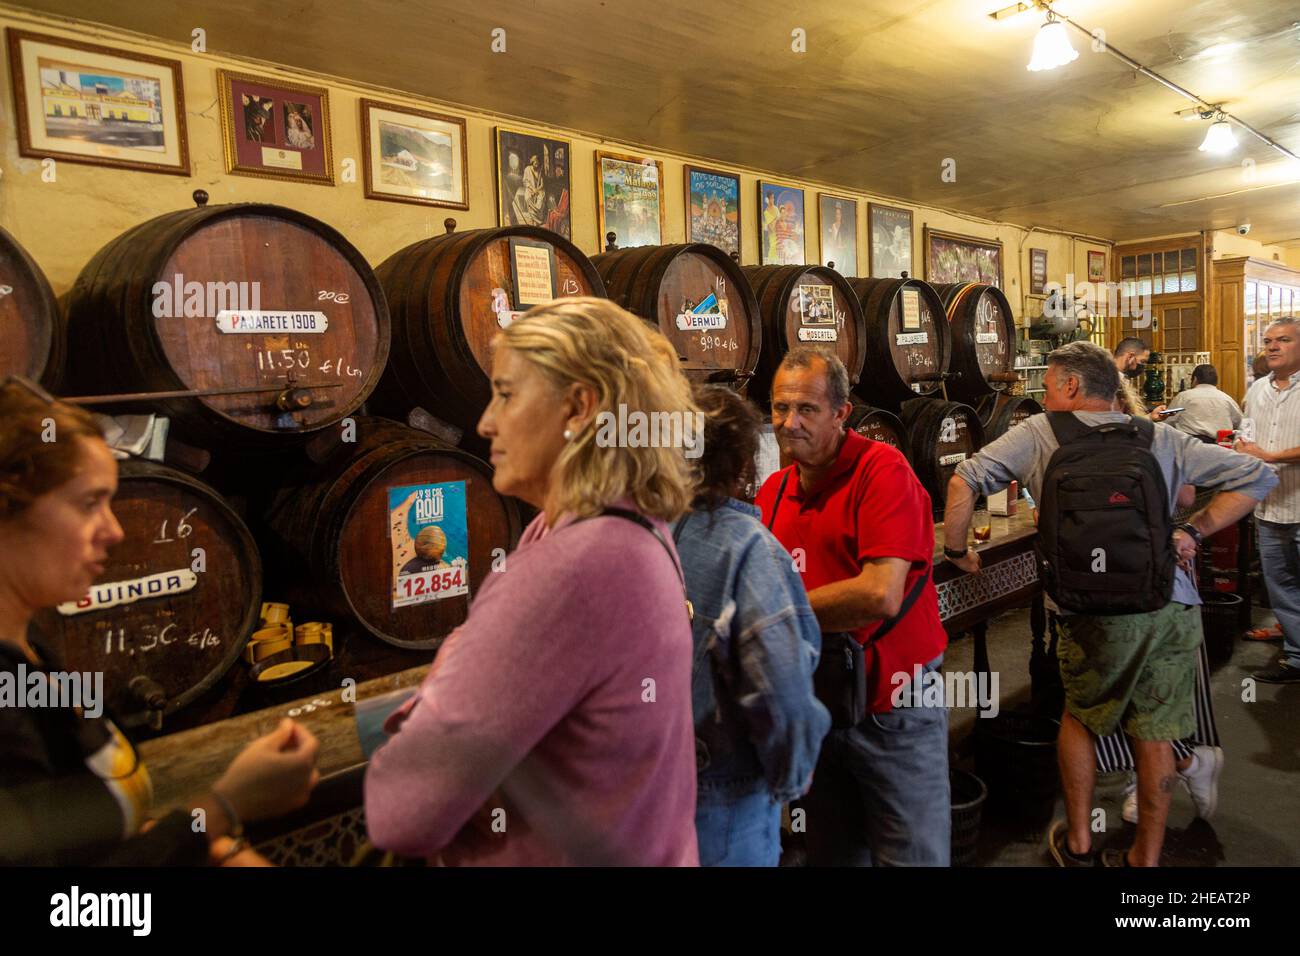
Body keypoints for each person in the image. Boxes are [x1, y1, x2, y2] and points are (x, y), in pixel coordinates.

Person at [364, 298, 700, 865]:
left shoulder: (570, 569)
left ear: (578, 406)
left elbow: (401, 812)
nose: (484, 422)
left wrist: (441, 680)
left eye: (506, 393)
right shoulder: (626, 525)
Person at [944, 341, 1276, 866]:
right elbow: (1258, 476)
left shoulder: (1037, 433)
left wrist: (957, 550)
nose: (1047, 396)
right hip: (1167, 602)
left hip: (1085, 609)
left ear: (1071, 386)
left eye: (1050, 386)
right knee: (1157, 730)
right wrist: (1192, 531)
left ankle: (1077, 843)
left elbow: (964, 480)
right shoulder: (1161, 436)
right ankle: (1143, 857)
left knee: (1080, 718)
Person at [0, 379, 320, 866]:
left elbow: (98, 836)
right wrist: (223, 808)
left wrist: (217, 847)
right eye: (89, 503)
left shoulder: (29, 649)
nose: (115, 530)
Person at [756, 346, 950, 867]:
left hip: (893, 708)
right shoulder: (773, 491)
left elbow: (879, 593)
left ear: (842, 413)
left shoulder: (881, 470)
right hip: (820, 705)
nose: (789, 423)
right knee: (833, 855)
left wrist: (775, 616)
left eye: (807, 410)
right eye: (779, 408)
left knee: (912, 856)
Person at [672, 385, 829, 866]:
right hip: (728, 798)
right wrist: (789, 779)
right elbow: (781, 691)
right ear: (745, 462)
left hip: (657, 792)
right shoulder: (748, 549)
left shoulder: (649, 534)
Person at [1236, 317, 1300, 683]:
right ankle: (1296, 657)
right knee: (1282, 587)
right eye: (1268, 340)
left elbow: (1267, 451)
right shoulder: (1257, 389)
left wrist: (1272, 456)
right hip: (1270, 507)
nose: (1273, 346)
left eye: (1284, 340)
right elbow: (1249, 435)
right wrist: (1241, 449)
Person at [1166, 364, 1241, 442]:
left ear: (1195, 379)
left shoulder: (1184, 397)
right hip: (1221, 447)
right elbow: (1239, 423)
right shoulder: (1227, 399)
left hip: (1190, 447)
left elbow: (1167, 420)